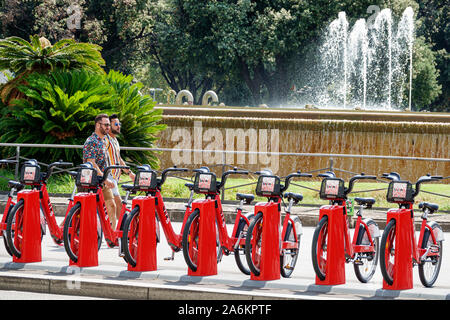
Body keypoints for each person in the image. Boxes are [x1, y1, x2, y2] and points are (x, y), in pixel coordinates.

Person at [82, 113, 116, 227]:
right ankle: (62, 232)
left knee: (111, 205)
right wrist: (104, 178)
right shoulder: (91, 141)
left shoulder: (103, 140)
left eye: (109, 125)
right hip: (91, 181)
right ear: (98, 125)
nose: (108, 127)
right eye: (106, 125)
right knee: (82, 211)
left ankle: (111, 236)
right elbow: (91, 163)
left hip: (101, 180)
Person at [105, 114, 135, 228]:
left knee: (116, 205)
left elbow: (118, 158)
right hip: (108, 176)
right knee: (117, 203)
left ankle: (120, 230)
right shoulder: (105, 139)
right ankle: (119, 231)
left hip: (114, 177)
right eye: (116, 124)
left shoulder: (115, 140)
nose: (118, 126)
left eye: (119, 124)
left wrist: (129, 173)